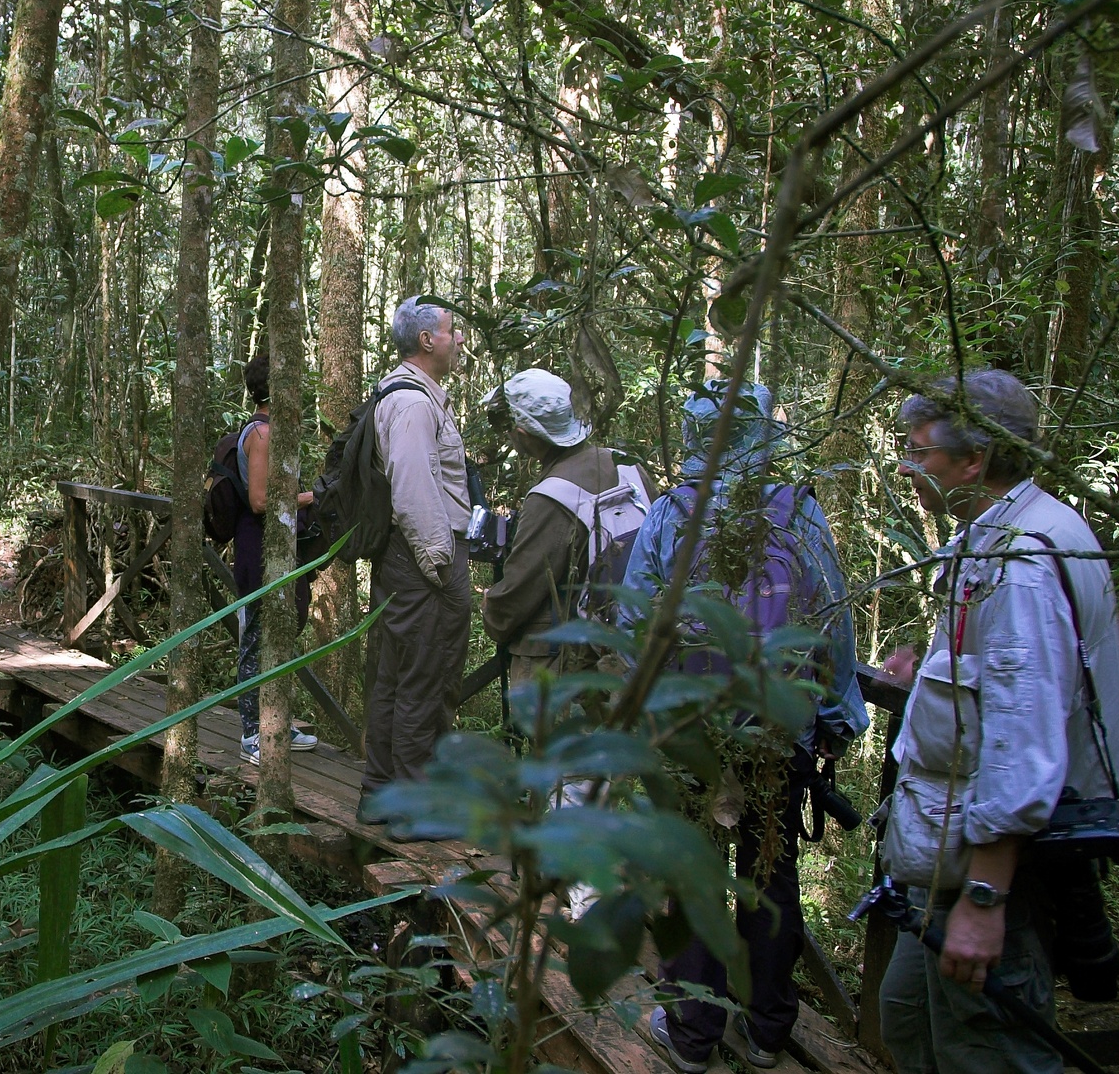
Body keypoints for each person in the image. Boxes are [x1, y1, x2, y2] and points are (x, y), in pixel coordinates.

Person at [876, 369, 1119, 1074]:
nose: (907, 465)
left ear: (974, 459)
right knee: (908, 1018)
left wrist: (986, 898)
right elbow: (1003, 684)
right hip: (946, 860)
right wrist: (920, 682)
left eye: (919, 450)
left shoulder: (1021, 558)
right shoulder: (1001, 533)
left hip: (996, 870)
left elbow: (1024, 735)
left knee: (986, 1050)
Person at [621, 379, 868, 1073]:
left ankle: (692, 1033)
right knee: (771, 879)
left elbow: (635, 625)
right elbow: (832, 622)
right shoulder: (800, 515)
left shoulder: (674, 515)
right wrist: (838, 715)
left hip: (689, 737)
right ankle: (766, 1031)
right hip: (775, 735)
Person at [358, 297, 473, 817]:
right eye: (453, 331)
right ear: (428, 340)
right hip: (422, 559)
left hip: (406, 559)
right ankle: (411, 809)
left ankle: (382, 796)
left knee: (395, 677)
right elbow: (413, 491)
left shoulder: (409, 396)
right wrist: (440, 564)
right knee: (423, 679)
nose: (459, 340)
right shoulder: (412, 405)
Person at [481, 368, 656, 684]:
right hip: (636, 642)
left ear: (523, 435)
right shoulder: (628, 464)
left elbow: (518, 592)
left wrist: (490, 607)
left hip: (567, 664)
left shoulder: (549, 497)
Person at [231, 354, 319, 765]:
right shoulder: (262, 435)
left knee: (278, 633)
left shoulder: (273, 432)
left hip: (277, 545)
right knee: (254, 640)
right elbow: (260, 500)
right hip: (257, 546)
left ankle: (276, 723)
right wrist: (311, 497)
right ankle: (251, 733)